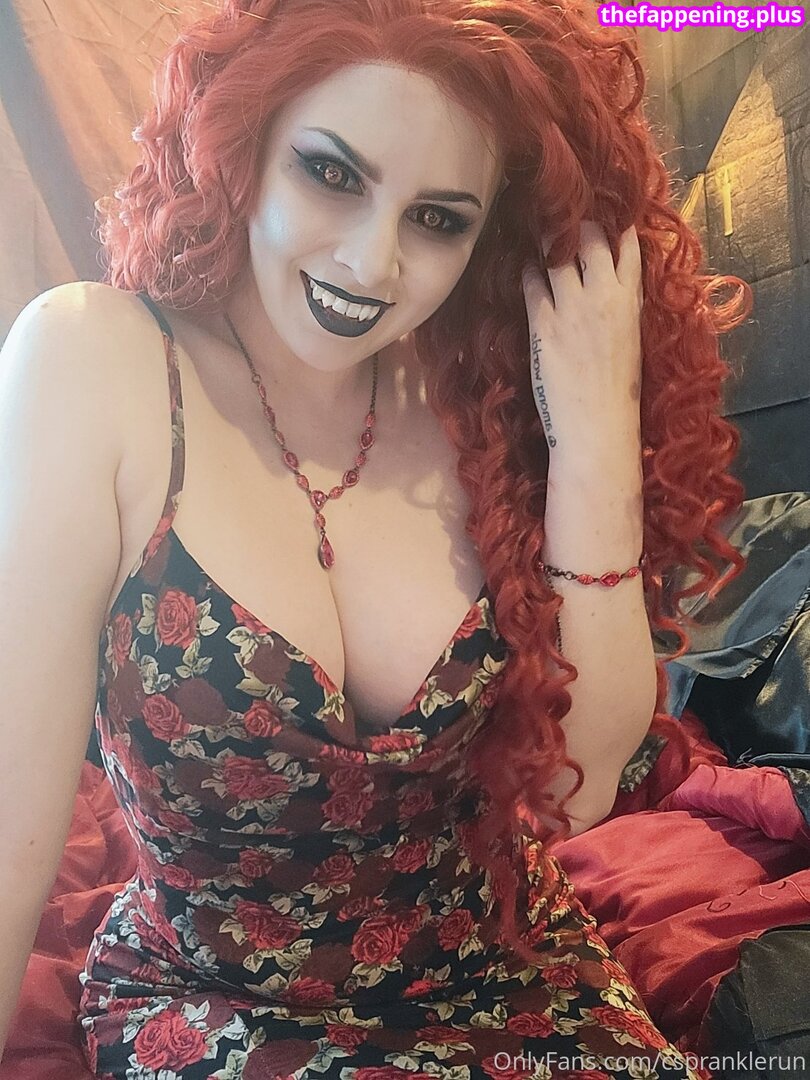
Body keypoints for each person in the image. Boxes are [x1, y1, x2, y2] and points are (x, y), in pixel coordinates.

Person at [0, 0, 753, 1076]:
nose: (371, 263)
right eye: (332, 173)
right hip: (222, 1000)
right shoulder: (94, 362)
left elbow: (579, 788)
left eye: (437, 218)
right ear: (239, 141)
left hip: (509, 967)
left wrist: (592, 434)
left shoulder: (487, 401)